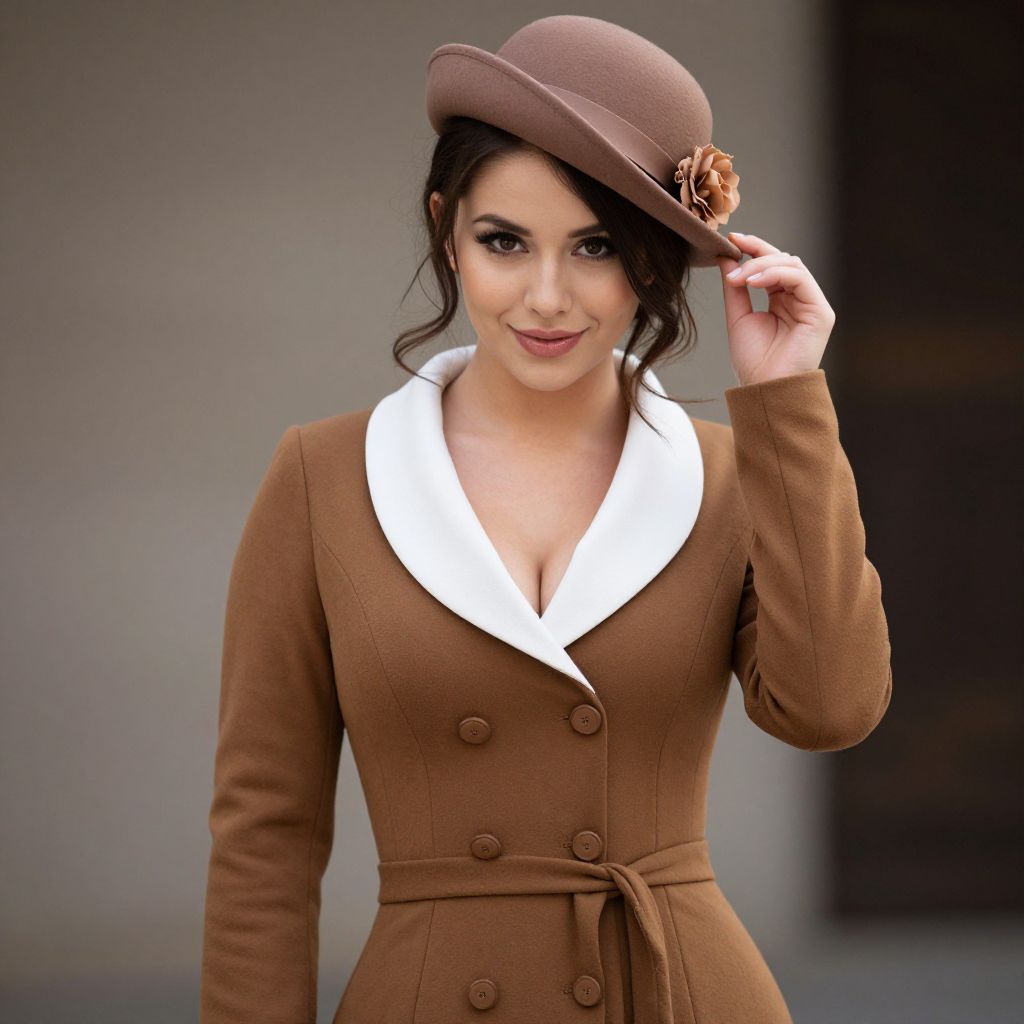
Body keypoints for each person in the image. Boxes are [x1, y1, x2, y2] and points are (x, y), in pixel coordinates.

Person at [199, 14, 893, 1024]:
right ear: (446, 229)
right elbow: (265, 834)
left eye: (597, 246)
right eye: (503, 242)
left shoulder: (727, 474)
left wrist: (786, 402)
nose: (547, 296)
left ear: (653, 258)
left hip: (678, 994)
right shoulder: (323, 477)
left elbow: (830, 709)